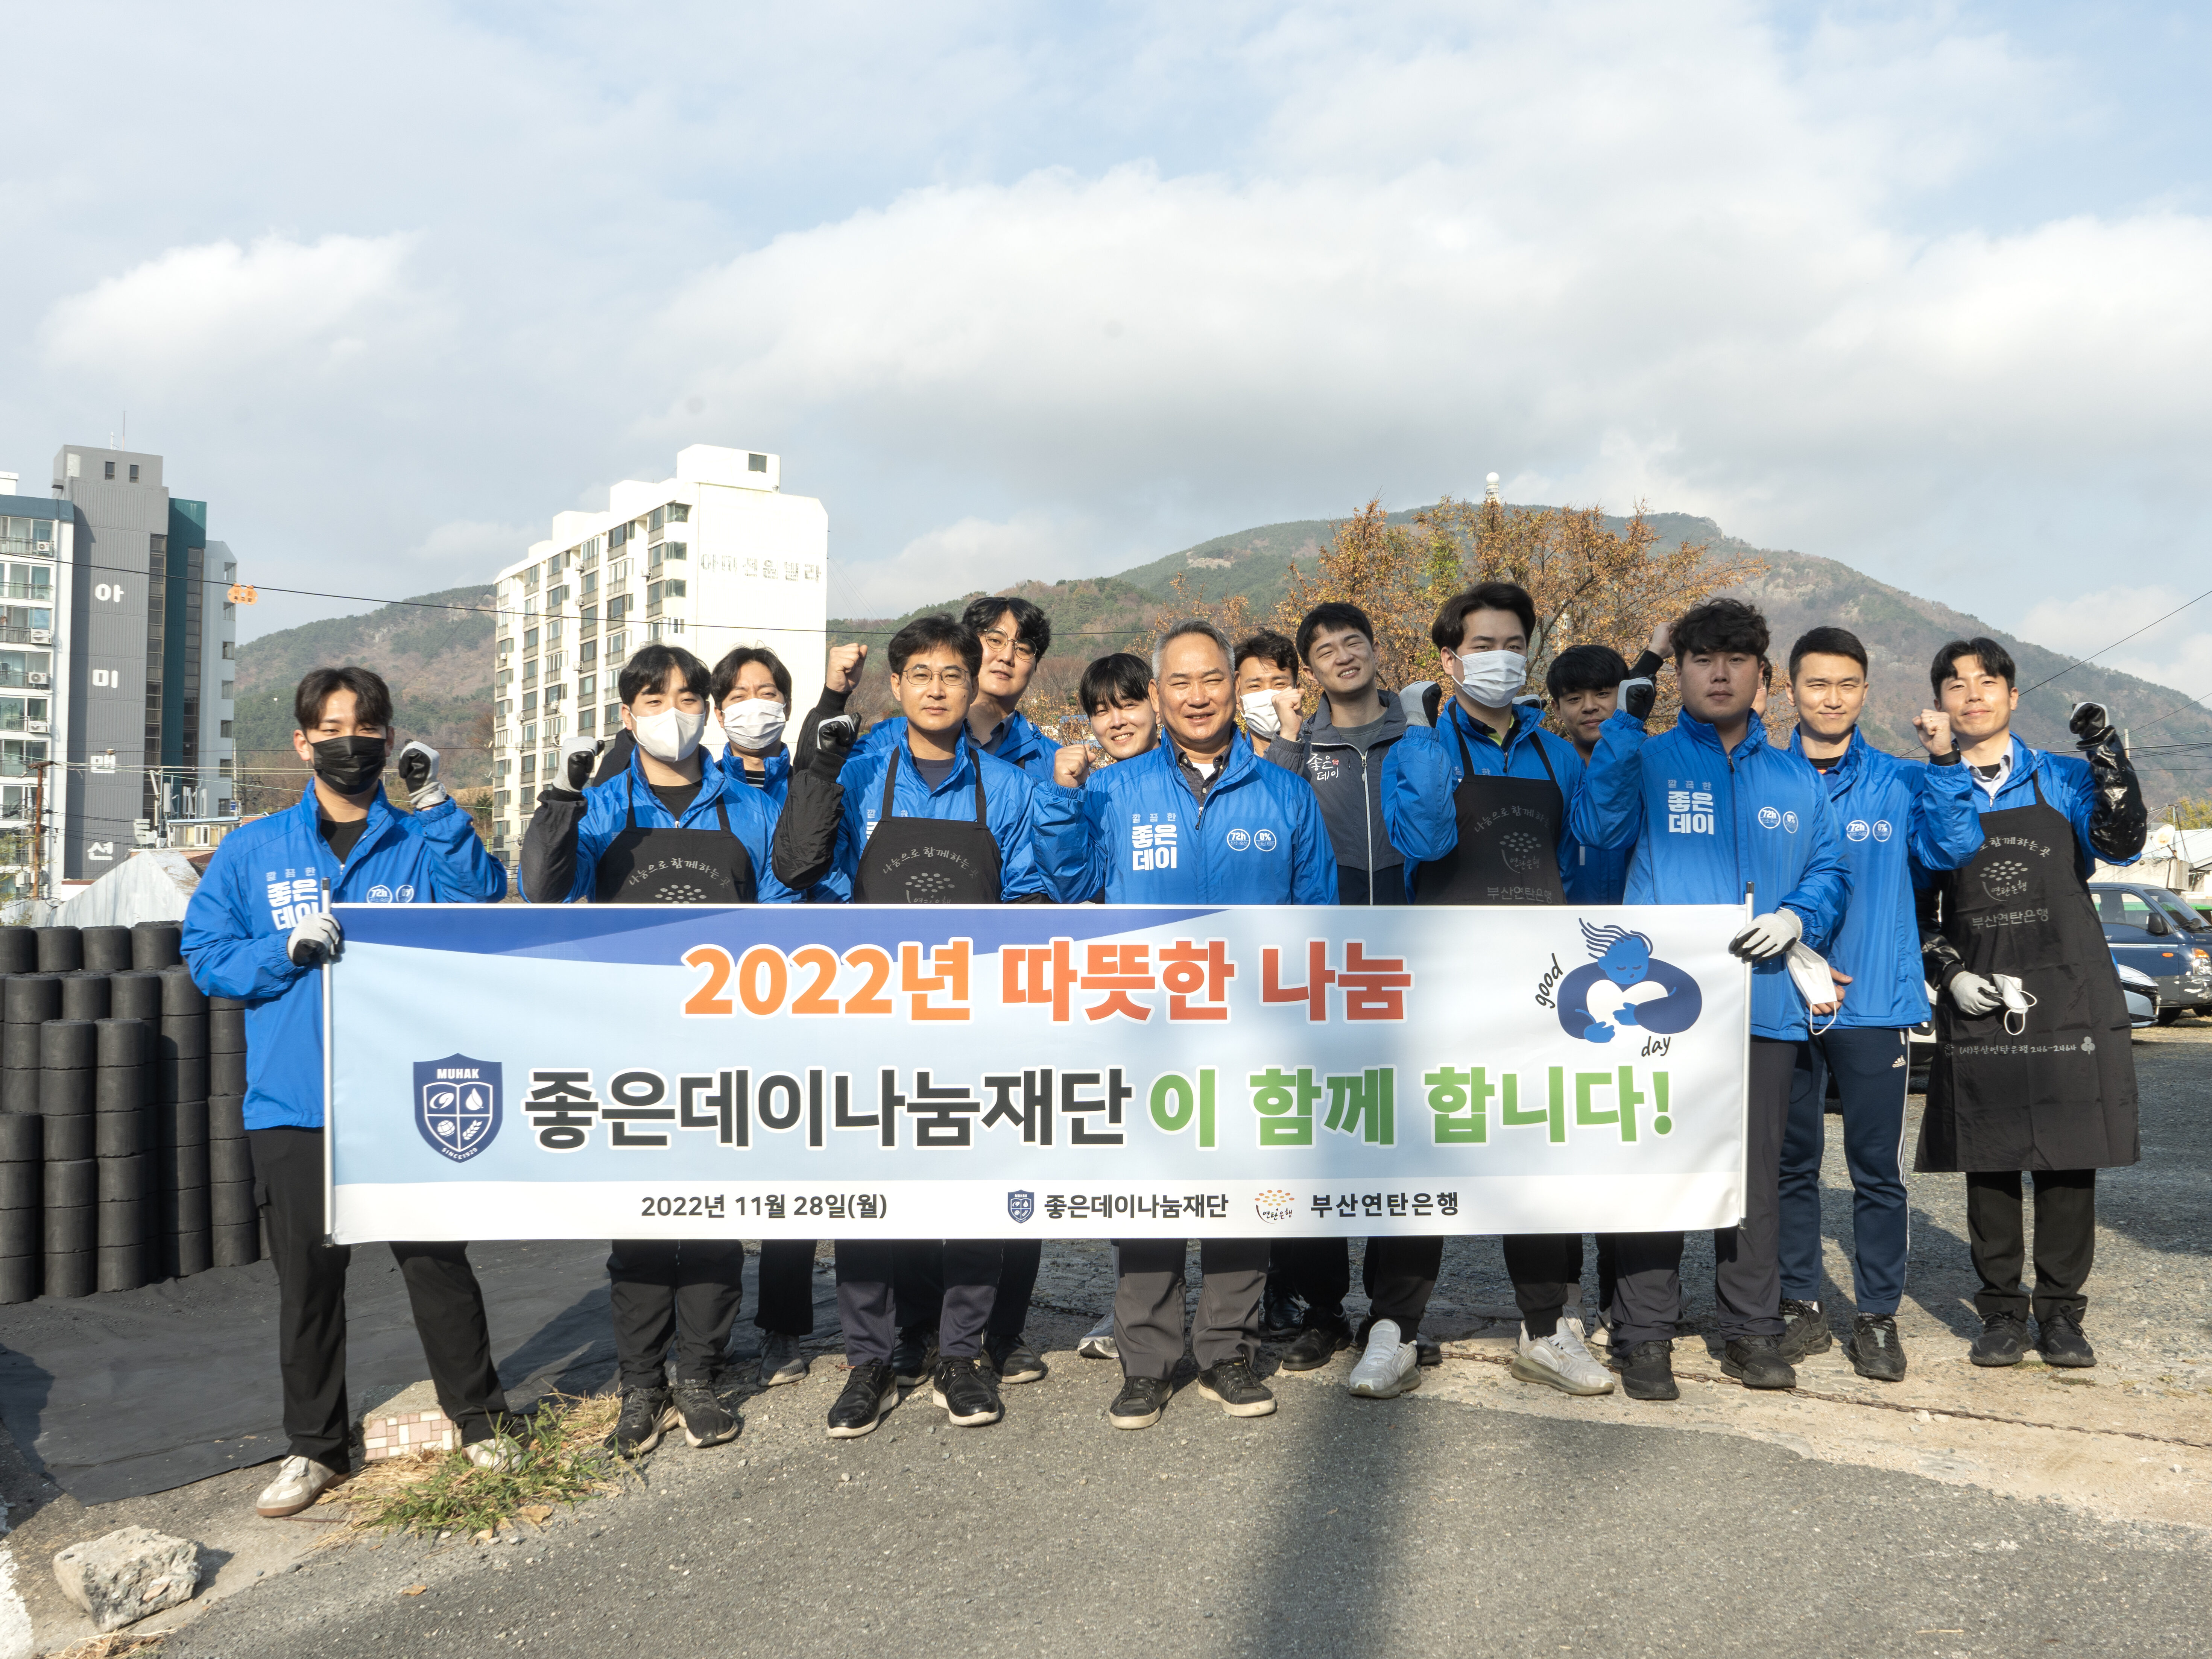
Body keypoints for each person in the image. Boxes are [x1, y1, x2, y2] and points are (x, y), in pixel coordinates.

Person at [182, 666, 511, 1518]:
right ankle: (315, 1447)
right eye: (332, 729)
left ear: (388, 737)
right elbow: (206, 955)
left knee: (437, 1265)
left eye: (368, 729)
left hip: (401, 1099)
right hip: (294, 1104)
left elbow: (485, 903)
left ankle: (481, 1421)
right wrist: (279, 951)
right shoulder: (254, 851)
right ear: (302, 743)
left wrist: (438, 807)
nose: (351, 744)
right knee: (309, 1284)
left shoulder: (416, 840)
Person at [773, 613, 1084, 1437]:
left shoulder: (1006, 787)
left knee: (975, 1197)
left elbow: (1030, 894)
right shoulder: (859, 775)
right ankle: (869, 1361)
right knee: (871, 1200)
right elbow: (803, 873)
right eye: (921, 675)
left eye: (953, 674)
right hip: (872, 1019)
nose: (938, 690)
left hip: (974, 1022)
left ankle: (961, 1354)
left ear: (971, 683)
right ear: (897, 685)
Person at [1047, 619, 1337, 1430]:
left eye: (1213, 679)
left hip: (1255, 1029)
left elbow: (1319, 913)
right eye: (1180, 682)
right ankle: (1146, 1362)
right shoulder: (1114, 790)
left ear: (1235, 686)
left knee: (1243, 1191)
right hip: (1145, 1029)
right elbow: (1068, 888)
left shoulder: (1285, 792)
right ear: (1157, 694)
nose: (1198, 696)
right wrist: (1061, 801)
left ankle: (1227, 1353)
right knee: (1150, 1193)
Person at [523, 641, 808, 1456]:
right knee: (641, 1228)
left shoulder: (748, 806)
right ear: (628, 715)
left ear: (707, 712)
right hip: (630, 1048)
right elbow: (544, 889)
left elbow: (786, 911)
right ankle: (641, 1387)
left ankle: (700, 1379)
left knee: (716, 1224)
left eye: (687, 699)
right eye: (653, 701)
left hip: (725, 1047)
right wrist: (560, 799)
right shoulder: (601, 806)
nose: (672, 714)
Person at [1574, 598, 1851, 1402]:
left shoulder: (1794, 777)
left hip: (1763, 1005)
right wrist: (1630, 706)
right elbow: (1597, 823)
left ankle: (1753, 1329)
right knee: (1655, 1167)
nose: (1720, 674)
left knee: (1754, 1177)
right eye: (1701, 659)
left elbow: (1829, 869)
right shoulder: (1647, 757)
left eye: (1736, 660)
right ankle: (1644, 1333)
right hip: (1662, 1010)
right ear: (1681, 672)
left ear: (1763, 676)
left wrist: (1798, 916)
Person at [1369, 584, 1616, 1402]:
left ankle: (1545, 1330)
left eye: (1514, 644)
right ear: (1449, 658)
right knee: (1422, 1156)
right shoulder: (1418, 747)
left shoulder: (1556, 753)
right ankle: (1393, 1329)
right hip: (1445, 986)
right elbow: (1426, 838)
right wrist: (1422, 736)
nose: (1501, 659)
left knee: (1535, 1156)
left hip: (1537, 990)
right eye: (1482, 645)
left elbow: (1587, 845)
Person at [1914, 637, 2145, 1370]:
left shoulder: (2064, 779)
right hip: (1980, 992)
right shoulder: (1930, 787)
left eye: (1988, 682)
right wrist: (1950, 974)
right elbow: (1918, 908)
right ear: (1939, 703)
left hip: (2068, 991)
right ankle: (2002, 1314)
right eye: (1956, 685)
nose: (1973, 694)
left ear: (2013, 697)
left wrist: (2105, 751)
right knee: (1989, 1154)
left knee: (2071, 1155)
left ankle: (2063, 1314)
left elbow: (2122, 841)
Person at [1774, 627, 1981, 1382]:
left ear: (1865, 692)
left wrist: (1946, 761)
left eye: (1846, 685)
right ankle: (1798, 1304)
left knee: (1877, 1171)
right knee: (1789, 1163)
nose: (1831, 698)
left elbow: (1953, 849)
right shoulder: (1763, 779)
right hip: (1781, 999)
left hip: (1873, 1004)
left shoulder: (1901, 780)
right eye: (1816, 684)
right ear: (1791, 691)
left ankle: (1877, 1317)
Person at [708, 640, 867, 1386]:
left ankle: (781, 1327)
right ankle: (703, 1335)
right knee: (715, 1163)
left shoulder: (820, 781)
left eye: (769, 692)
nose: (755, 706)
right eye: (740, 695)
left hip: (813, 991)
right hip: (723, 997)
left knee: (797, 1165)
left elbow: (834, 872)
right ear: (718, 713)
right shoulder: (705, 792)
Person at [1062, 650, 1164, 1366]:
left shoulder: (1206, 773)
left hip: (1210, 987)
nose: (1116, 720)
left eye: (1128, 703)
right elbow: (1075, 885)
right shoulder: (1095, 788)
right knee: (1136, 1157)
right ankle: (1135, 1308)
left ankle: (1247, 1307)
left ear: (1155, 702)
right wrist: (1065, 799)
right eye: (1101, 710)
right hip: (1125, 992)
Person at [849, 595, 1060, 781]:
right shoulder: (889, 738)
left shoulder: (1053, 763)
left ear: (1036, 666)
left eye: (1023, 649)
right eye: (996, 640)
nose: (1007, 657)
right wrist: (835, 699)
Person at [1232, 630, 1300, 760]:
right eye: (1255, 686)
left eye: (1279, 684)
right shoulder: (1229, 763)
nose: (1270, 699)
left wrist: (1289, 736)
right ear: (1237, 695)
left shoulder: (1320, 757)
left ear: (1297, 690)